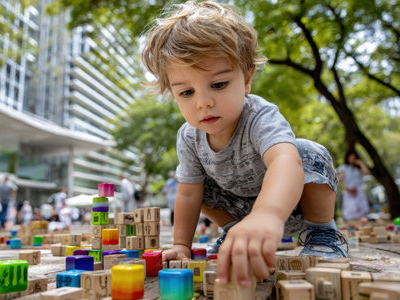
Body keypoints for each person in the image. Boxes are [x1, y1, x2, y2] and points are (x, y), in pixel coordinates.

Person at [141, 1, 347, 286]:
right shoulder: (189, 136)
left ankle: (323, 232)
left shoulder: (259, 116)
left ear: (247, 78)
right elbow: (188, 195)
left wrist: (268, 215)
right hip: (241, 211)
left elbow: (285, 161)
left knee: (306, 152)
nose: (203, 102)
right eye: (187, 92)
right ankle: (236, 232)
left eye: (218, 84)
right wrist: (182, 246)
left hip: (291, 204)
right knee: (192, 183)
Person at [338, 149, 371, 221]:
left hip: (359, 191)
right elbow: (342, 180)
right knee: (351, 211)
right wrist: (348, 189)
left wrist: (361, 163)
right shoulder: (343, 167)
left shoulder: (357, 168)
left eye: (354, 157)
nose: (352, 159)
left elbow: (367, 172)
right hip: (349, 191)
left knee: (362, 211)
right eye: (351, 157)